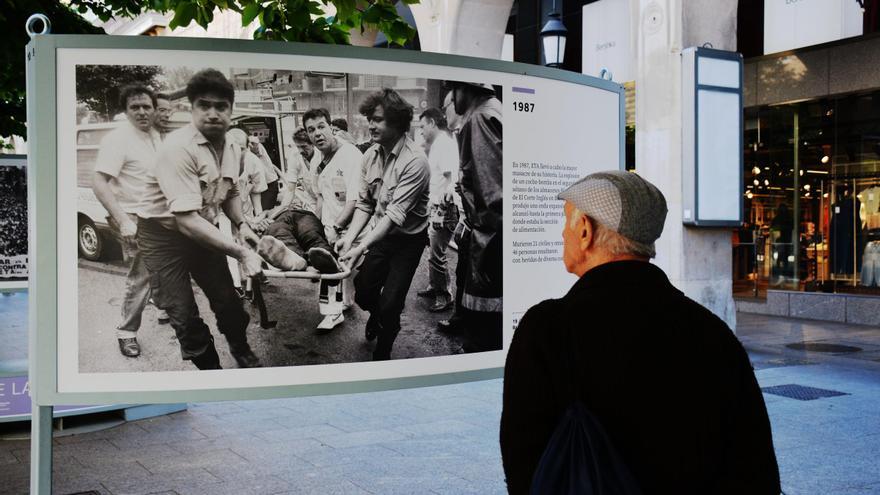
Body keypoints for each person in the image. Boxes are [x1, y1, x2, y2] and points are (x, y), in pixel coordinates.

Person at [500, 171, 780, 494]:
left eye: (566, 222)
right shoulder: (712, 335)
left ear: (585, 232)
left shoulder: (545, 332)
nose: (563, 233)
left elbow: (524, 466)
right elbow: (755, 469)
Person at [135, 69, 264, 370]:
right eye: (204, 105)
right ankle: (213, 376)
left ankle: (240, 348)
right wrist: (242, 252)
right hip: (163, 235)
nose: (213, 113)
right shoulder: (177, 149)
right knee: (183, 316)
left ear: (231, 110)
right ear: (191, 109)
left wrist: (242, 225)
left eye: (221, 106)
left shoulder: (233, 144)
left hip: (204, 226)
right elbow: (185, 221)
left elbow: (229, 189)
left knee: (229, 303)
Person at [336, 88, 430, 361]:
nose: (371, 124)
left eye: (378, 119)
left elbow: (394, 215)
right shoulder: (370, 156)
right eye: (369, 118)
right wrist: (350, 239)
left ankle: (384, 346)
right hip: (380, 236)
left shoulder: (415, 162)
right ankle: (377, 315)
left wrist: (361, 245)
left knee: (391, 304)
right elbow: (365, 204)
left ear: (398, 122)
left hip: (408, 241)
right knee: (364, 293)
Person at [92, 84, 163, 358]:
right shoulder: (119, 139)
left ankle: (162, 304)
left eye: (147, 106)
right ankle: (126, 332)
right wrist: (123, 220)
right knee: (139, 278)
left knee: (164, 270)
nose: (142, 111)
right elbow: (99, 182)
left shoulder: (155, 136)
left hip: (162, 218)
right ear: (126, 110)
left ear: (154, 109)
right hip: (137, 219)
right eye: (135, 107)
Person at [438, 81, 503, 353]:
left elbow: (493, 195)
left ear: (462, 89)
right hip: (491, 235)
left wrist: (484, 245)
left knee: (484, 329)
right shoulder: (494, 110)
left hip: (490, 238)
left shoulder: (479, 118)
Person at [305, 108, 364, 330]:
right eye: (311, 130)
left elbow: (354, 201)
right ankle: (333, 312)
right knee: (330, 269)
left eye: (321, 127)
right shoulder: (316, 160)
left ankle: (348, 305)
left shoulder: (351, 156)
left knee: (353, 275)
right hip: (331, 227)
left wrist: (337, 227)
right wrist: (317, 228)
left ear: (332, 128)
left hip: (355, 230)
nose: (317, 133)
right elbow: (320, 196)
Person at [415, 107, 461, 312]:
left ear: (433, 123)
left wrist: (444, 204)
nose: (421, 131)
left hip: (444, 208)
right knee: (433, 251)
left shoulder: (444, 144)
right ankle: (435, 286)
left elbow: (451, 178)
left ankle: (445, 295)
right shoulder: (438, 144)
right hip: (436, 208)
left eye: (423, 126)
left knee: (437, 253)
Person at [248, 135, 282, 212]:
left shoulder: (256, 145)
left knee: (264, 213)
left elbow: (255, 142)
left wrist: (250, 143)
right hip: (256, 186)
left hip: (270, 185)